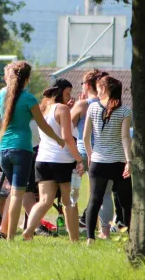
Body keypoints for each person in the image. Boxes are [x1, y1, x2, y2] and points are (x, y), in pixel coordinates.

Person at [0, 61, 66, 240]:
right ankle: (11, 237)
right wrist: (58, 139)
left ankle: (7, 232)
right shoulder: (29, 99)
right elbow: (43, 125)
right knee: (17, 194)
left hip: (3, 150)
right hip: (22, 149)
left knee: (13, 192)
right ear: (27, 79)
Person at [22, 79, 84, 242]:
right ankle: (74, 240)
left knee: (44, 201)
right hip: (62, 161)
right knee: (69, 202)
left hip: (42, 160)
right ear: (60, 91)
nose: (70, 97)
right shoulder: (62, 109)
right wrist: (79, 160)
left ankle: (29, 230)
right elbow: (67, 139)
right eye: (68, 93)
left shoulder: (43, 108)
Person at [83, 76, 133, 245]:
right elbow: (125, 138)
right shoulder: (125, 111)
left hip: (98, 161)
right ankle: (129, 236)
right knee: (126, 201)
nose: (97, 91)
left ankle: (90, 237)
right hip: (118, 161)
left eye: (98, 88)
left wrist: (90, 155)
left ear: (104, 89)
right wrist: (129, 161)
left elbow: (85, 137)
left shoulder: (92, 108)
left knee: (94, 199)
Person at [71, 69, 115, 237]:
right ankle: (105, 232)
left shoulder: (83, 104)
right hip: (104, 154)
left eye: (82, 84)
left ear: (87, 85)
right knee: (104, 194)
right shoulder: (110, 104)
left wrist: (73, 108)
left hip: (82, 153)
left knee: (72, 190)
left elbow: (67, 126)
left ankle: (73, 228)